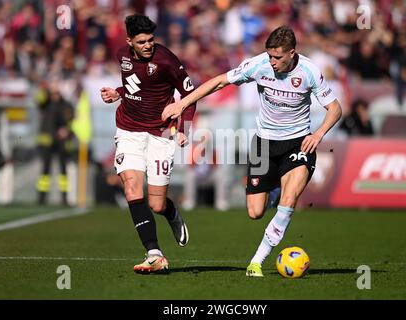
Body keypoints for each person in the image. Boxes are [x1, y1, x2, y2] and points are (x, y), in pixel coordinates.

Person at [162, 26, 342, 277]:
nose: (273, 62)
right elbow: (219, 81)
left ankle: (256, 261)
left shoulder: (310, 71)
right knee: (255, 212)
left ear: (292, 52)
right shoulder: (258, 65)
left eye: (278, 58)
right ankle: (276, 191)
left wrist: (318, 134)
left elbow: (335, 109)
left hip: (298, 143)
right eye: (270, 56)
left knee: (289, 202)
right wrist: (182, 103)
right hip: (263, 145)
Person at [100, 14, 196, 274]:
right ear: (129, 41)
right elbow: (136, 85)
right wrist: (117, 93)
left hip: (160, 134)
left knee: (156, 204)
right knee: (132, 188)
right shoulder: (122, 55)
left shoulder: (166, 60)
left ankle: (172, 213)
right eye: (141, 41)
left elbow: (190, 94)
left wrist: (184, 127)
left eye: (151, 40)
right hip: (128, 130)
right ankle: (154, 253)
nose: (148, 45)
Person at [36, 83, 75, 205]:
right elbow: (39, 100)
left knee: (63, 170)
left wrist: (66, 131)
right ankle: (42, 198)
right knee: (45, 171)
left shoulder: (66, 105)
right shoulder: (46, 104)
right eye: (53, 93)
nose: (55, 95)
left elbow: (71, 119)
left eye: (56, 93)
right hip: (47, 141)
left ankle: (64, 197)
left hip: (61, 141)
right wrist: (46, 89)